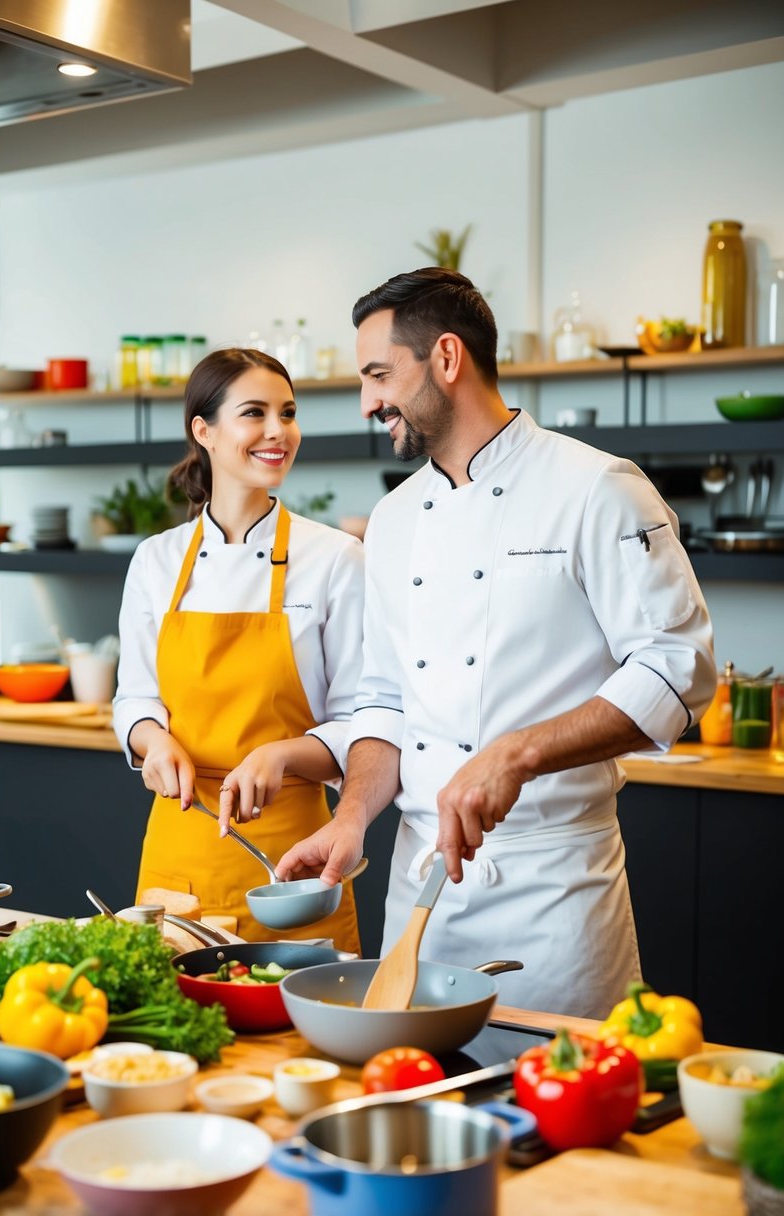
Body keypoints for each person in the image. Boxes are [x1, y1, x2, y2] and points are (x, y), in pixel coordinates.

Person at [276, 268, 716, 1016]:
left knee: (559, 1119)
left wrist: (517, 751)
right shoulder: (393, 519)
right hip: (421, 891)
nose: (366, 402)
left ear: (446, 359)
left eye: (378, 374)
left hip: (553, 895)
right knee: (411, 1107)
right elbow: (384, 701)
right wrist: (349, 820)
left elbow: (679, 667)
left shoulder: (595, 487)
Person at [112, 347, 364, 952]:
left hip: (294, 858)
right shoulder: (157, 560)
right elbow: (135, 697)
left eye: (288, 413)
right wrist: (154, 741)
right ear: (205, 431)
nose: (278, 432)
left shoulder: (335, 560)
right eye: (255, 413)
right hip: (182, 844)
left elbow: (365, 721)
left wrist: (281, 756)